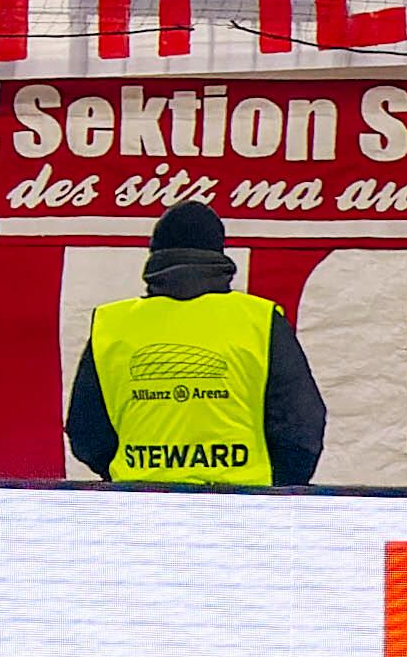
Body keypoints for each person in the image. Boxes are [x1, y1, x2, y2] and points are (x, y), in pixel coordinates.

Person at [70, 199, 325, 486]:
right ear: (218, 255)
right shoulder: (259, 321)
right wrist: (272, 486)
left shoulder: (113, 325)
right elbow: (302, 426)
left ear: (154, 256)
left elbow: (86, 432)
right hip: (242, 511)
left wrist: (136, 475)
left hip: (140, 508)